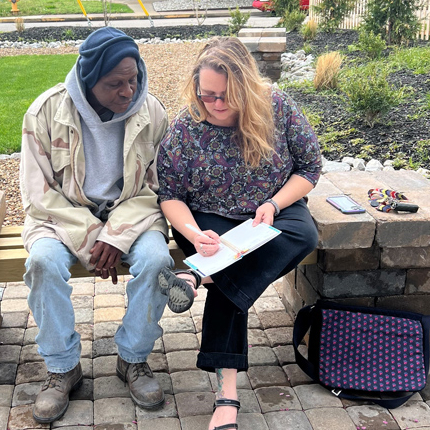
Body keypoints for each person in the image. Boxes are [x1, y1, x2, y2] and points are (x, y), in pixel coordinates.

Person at [156, 37, 321, 430]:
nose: (214, 104)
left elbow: (309, 168)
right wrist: (195, 235)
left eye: (225, 96)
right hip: (208, 223)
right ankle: (226, 397)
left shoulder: (277, 107)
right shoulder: (185, 127)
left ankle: (198, 275)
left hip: (271, 211)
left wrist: (276, 204)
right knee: (231, 262)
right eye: (206, 94)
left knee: (304, 236)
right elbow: (170, 196)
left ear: (247, 86)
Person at [20, 27, 174, 423]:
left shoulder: (152, 112)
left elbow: (157, 188)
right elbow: (38, 195)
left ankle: (133, 360)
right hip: (61, 217)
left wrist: (116, 234)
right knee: (42, 263)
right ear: (89, 81)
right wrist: (93, 237)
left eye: (133, 79)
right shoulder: (45, 112)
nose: (127, 92)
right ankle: (61, 369)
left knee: (158, 261)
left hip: (134, 214)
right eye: (114, 84)